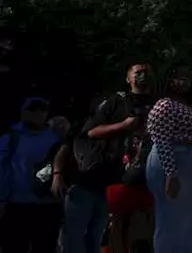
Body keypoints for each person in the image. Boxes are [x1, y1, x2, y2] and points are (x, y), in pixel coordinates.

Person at [58, 63, 155, 253]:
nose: (142, 76)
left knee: (138, 235)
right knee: (99, 235)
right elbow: (92, 132)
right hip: (105, 179)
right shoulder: (117, 102)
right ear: (128, 79)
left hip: (145, 179)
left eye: (146, 72)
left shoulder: (160, 104)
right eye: (137, 73)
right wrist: (124, 126)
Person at [146, 67, 192, 253]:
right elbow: (161, 139)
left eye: (186, 78)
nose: (182, 82)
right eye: (177, 78)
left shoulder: (189, 106)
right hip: (176, 162)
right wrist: (170, 173)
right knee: (177, 223)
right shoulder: (165, 105)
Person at [0, 97, 63, 253]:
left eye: (42, 110)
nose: (38, 114)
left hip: (47, 205)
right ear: (23, 112)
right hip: (16, 206)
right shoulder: (10, 138)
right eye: (32, 110)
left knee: (45, 248)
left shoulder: (56, 137)